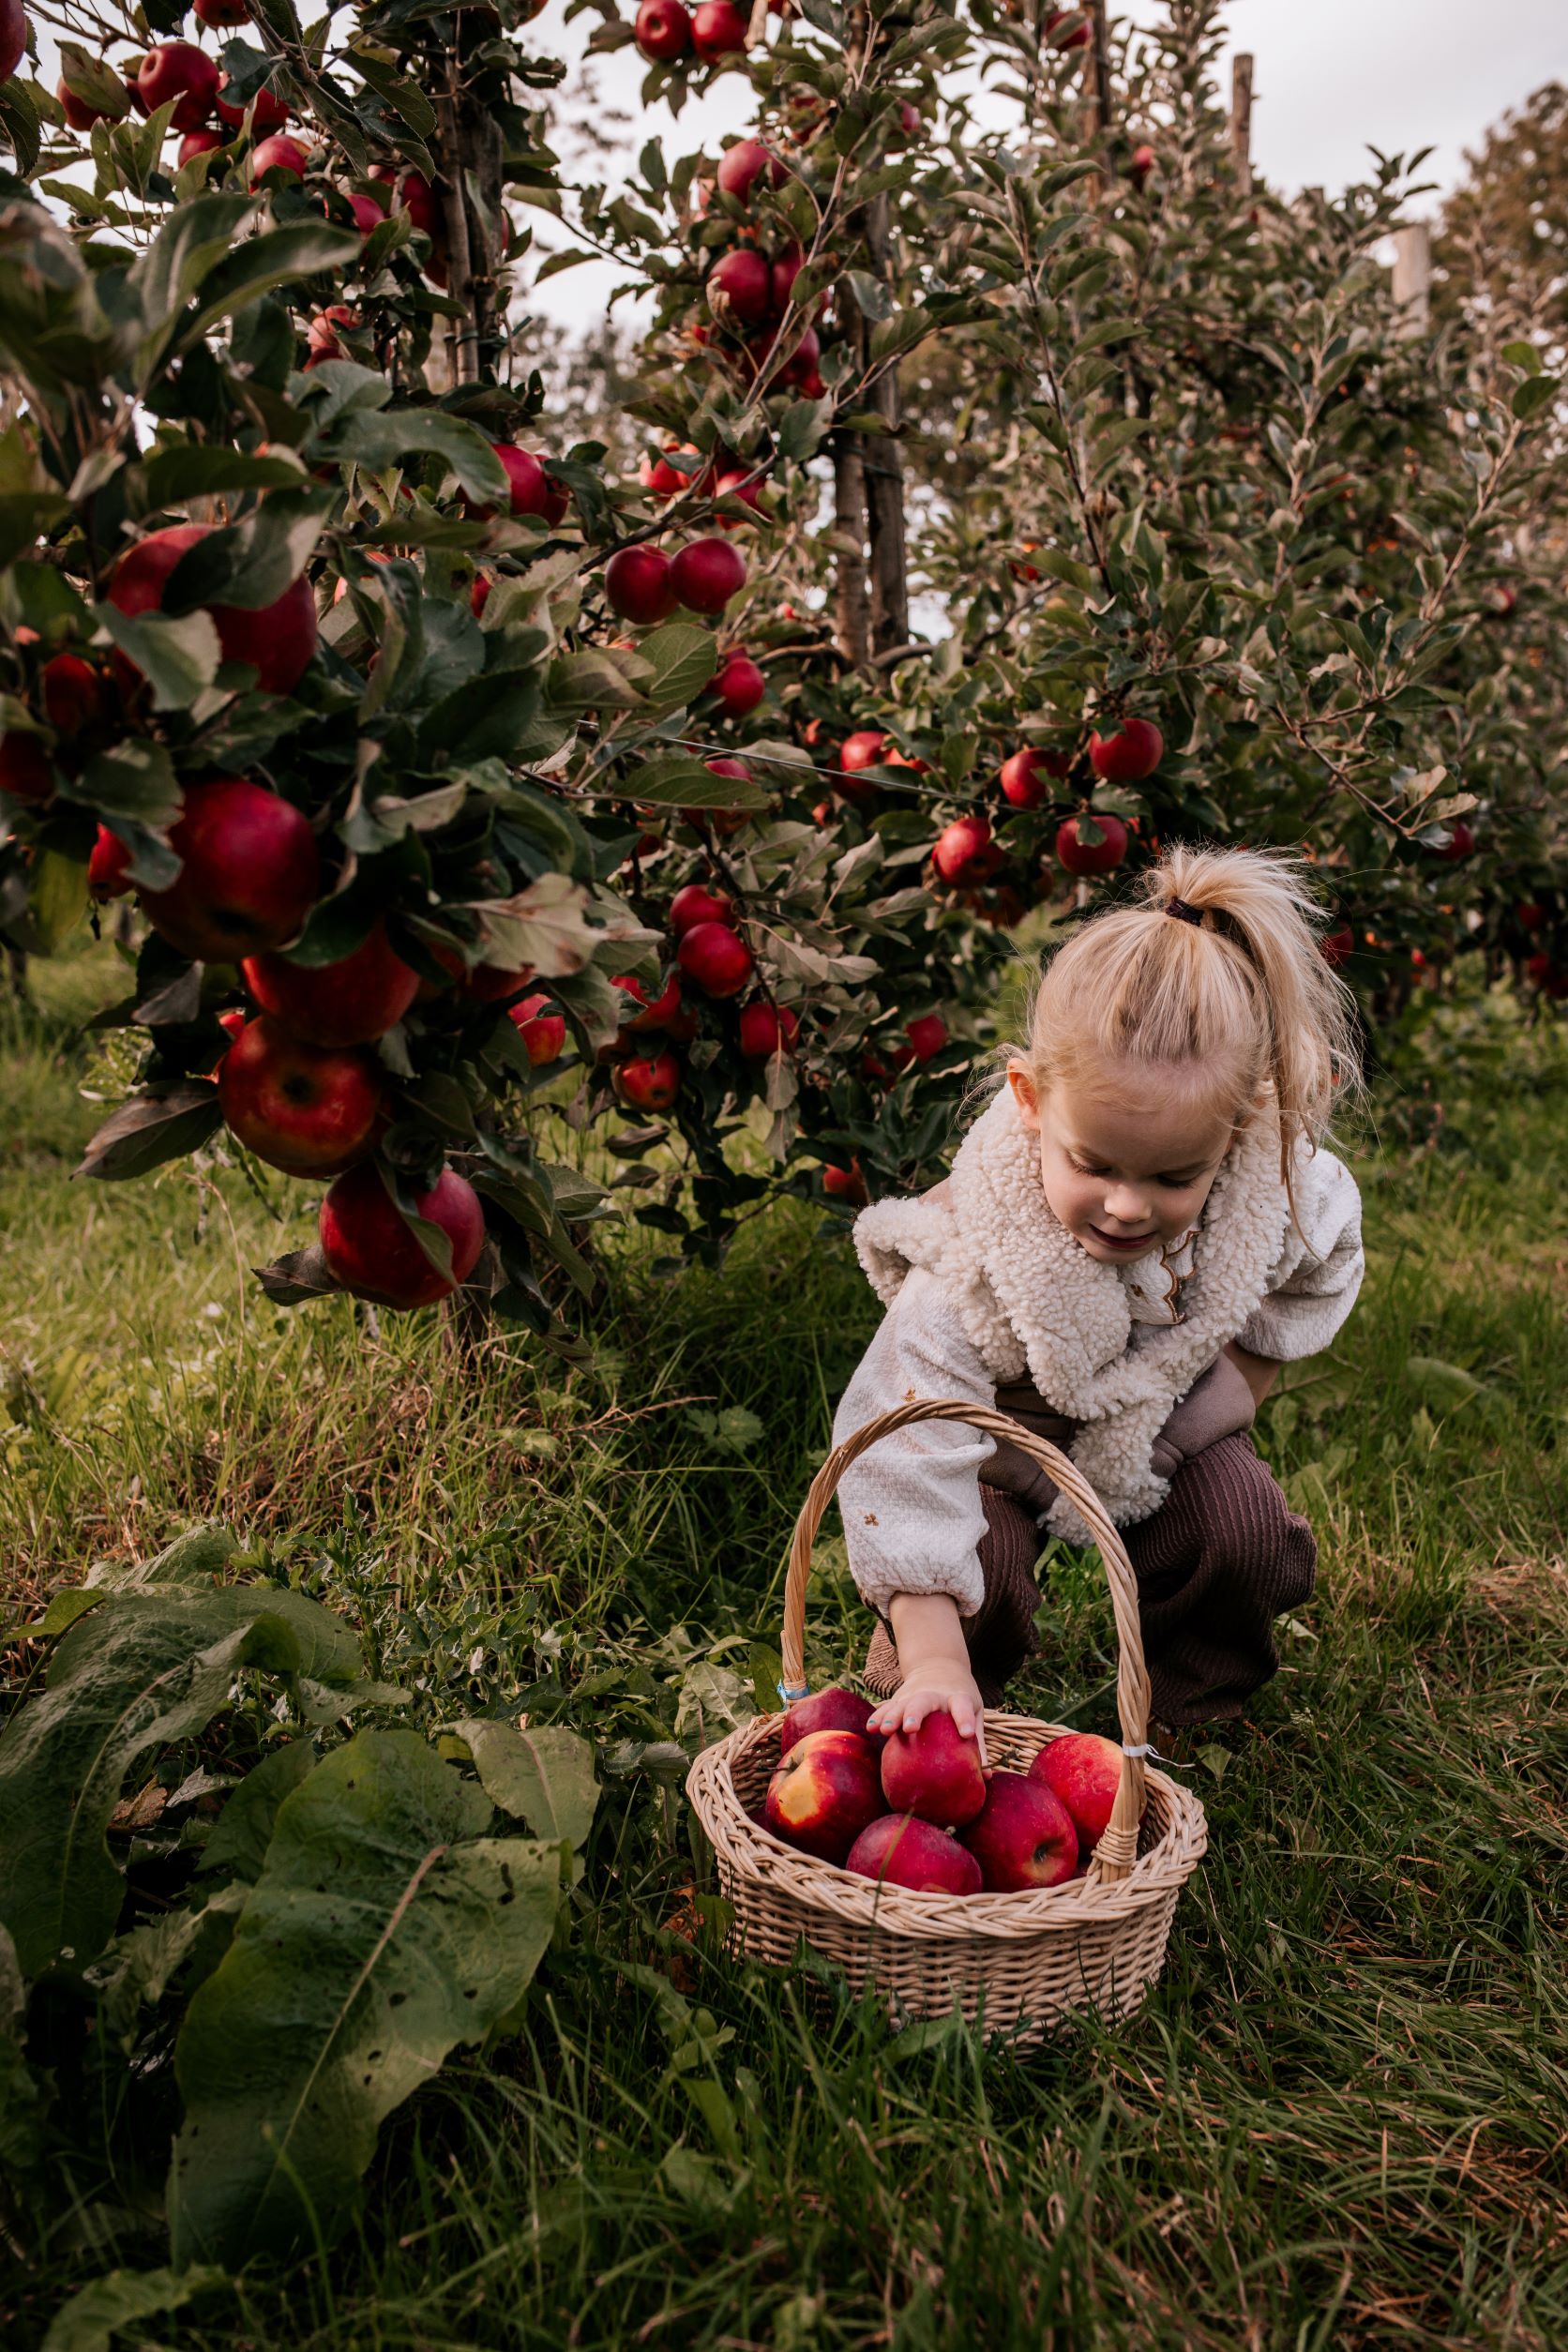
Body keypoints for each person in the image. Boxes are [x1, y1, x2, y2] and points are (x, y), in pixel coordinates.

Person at [832, 844, 1364, 1751]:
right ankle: (945, 1716)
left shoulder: (1275, 1189)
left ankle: (1196, 1715)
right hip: (992, 1444)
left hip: (1150, 1428)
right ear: (1031, 1099)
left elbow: (1317, 1273)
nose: (1126, 1205)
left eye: (1172, 1176)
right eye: (1093, 1165)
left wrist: (1201, 1418)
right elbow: (902, 1446)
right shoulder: (975, 1259)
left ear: (1235, 1137)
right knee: (979, 1572)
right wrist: (933, 1659)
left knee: (1239, 1528)